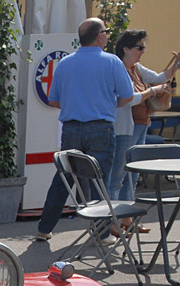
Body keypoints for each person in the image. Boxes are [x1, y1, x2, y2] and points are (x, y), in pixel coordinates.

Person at [34, 17, 133, 241]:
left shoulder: (66, 63)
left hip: (71, 128)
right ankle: (101, 232)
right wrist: (106, 103)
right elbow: (126, 96)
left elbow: (53, 100)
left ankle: (44, 228)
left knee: (64, 178)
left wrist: (74, 104)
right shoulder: (112, 62)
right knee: (100, 180)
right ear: (99, 36)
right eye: (105, 32)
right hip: (101, 127)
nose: (107, 35)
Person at [107, 29, 180, 204]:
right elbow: (126, 100)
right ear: (126, 49)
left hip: (142, 123)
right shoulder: (118, 69)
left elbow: (159, 78)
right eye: (139, 48)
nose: (143, 52)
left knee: (134, 173)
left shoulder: (136, 68)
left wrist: (177, 64)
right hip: (127, 127)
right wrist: (151, 91)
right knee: (119, 175)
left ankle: (128, 216)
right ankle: (113, 218)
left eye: (143, 48)